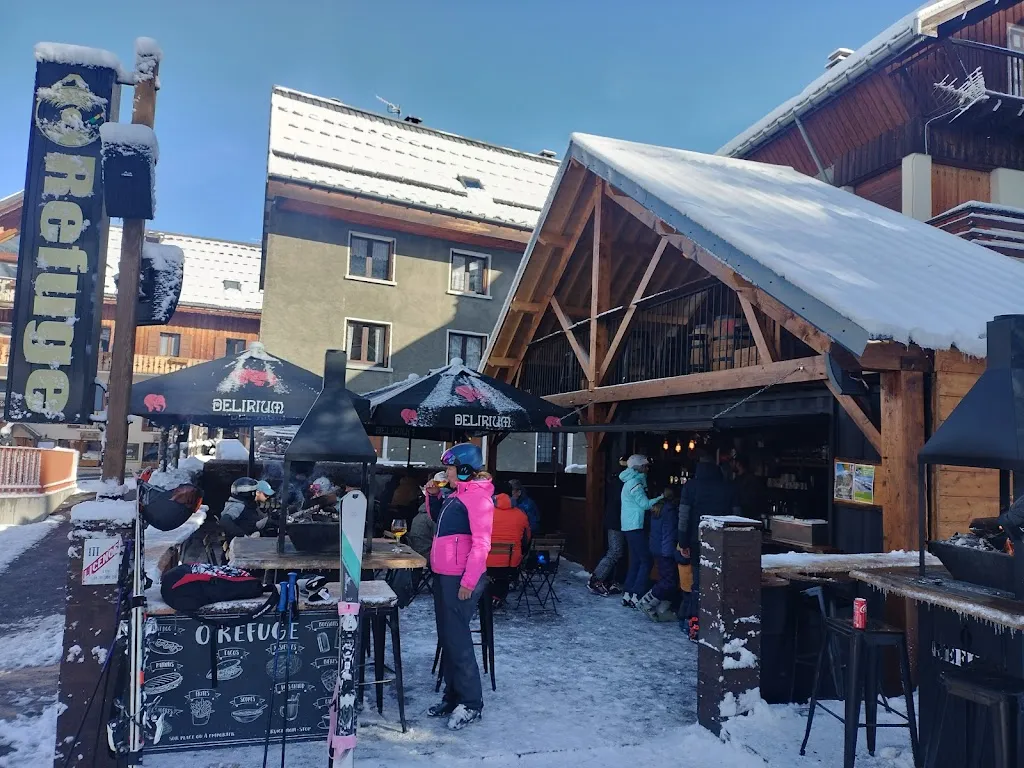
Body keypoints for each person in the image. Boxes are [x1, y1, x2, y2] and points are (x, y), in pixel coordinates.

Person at [424, 443, 493, 731]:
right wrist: (433, 495)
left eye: (450, 469)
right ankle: (453, 696)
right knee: (448, 638)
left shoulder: (478, 499)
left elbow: (482, 544)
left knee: (459, 640)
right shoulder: (458, 495)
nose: (446, 474)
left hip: (460, 577)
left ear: (465, 469)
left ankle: (471, 703)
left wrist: (469, 580)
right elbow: (439, 521)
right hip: (445, 574)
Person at [677, 450, 741, 641]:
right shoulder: (729, 488)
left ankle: (696, 626)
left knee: (698, 583)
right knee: (721, 582)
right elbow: (737, 516)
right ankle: (720, 625)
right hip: (723, 541)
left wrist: (682, 541)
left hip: (697, 539)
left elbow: (683, 517)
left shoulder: (691, 486)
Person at [619, 455, 664, 608]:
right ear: (638, 468)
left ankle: (628, 593)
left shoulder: (628, 481)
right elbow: (645, 504)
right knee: (646, 560)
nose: (647, 469)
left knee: (637, 560)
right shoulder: (635, 483)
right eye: (645, 466)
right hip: (635, 525)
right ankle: (637, 594)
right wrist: (662, 497)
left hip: (628, 525)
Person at [587, 459, 628, 597]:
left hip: (616, 520)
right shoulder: (624, 482)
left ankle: (610, 580)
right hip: (617, 521)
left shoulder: (617, 480)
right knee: (615, 552)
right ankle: (596, 580)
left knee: (617, 552)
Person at [637, 490, 678, 622]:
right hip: (666, 550)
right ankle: (647, 601)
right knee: (669, 581)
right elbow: (670, 533)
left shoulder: (656, 510)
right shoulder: (670, 511)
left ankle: (662, 608)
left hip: (656, 548)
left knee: (667, 578)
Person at [487, 493, 531, 606]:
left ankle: (488, 595)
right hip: (510, 562)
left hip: (486, 561)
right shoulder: (521, 514)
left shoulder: (486, 513)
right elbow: (527, 538)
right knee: (504, 575)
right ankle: (498, 596)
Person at [407, 472, 446, 557]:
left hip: (416, 553)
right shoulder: (431, 517)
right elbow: (441, 536)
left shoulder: (419, 514)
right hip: (427, 556)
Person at [731, 453, 765, 523]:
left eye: (733, 462)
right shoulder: (737, 479)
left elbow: (750, 501)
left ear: (738, 464)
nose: (731, 465)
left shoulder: (750, 480)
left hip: (747, 518)